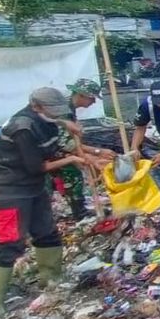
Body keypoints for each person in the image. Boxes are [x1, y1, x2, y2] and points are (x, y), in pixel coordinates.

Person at [0, 88, 90, 319]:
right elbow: (34, 166)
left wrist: (66, 125)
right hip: (7, 189)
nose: (56, 115)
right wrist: (71, 159)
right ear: (36, 106)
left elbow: (52, 144)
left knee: (46, 231)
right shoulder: (23, 128)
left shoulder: (45, 120)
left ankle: (52, 280)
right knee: (10, 242)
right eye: (53, 112)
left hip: (33, 187)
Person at [56, 78, 111, 219]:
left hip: (57, 148)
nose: (93, 102)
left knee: (75, 170)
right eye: (91, 98)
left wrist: (94, 153)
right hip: (43, 151)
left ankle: (78, 208)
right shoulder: (63, 111)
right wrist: (92, 156)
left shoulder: (69, 108)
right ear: (80, 95)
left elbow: (74, 141)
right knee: (72, 173)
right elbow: (66, 144)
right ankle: (78, 211)